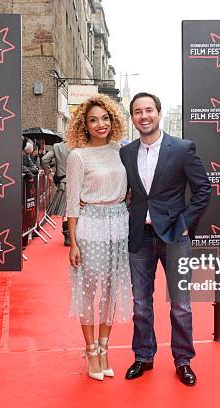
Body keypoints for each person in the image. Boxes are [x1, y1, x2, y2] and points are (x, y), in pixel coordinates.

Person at [120, 92, 211, 387]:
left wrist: (185, 223)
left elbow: (203, 190)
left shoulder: (182, 149)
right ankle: (144, 355)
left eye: (149, 110)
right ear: (132, 117)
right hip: (139, 237)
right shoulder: (126, 152)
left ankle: (183, 360)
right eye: (137, 112)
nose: (143, 116)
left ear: (158, 113)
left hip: (175, 236)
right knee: (140, 303)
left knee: (181, 304)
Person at [65, 94, 132, 382]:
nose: (100, 124)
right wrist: (73, 242)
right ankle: (90, 350)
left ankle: (105, 349)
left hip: (119, 225)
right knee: (89, 289)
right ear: (84, 124)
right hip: (90, 225)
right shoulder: (78, 156)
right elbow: (71, 201)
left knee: (111, 290)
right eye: (93, 120)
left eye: (105, 118)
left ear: (113, 120)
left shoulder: (122, 151)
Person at [42, 140, 71, 246]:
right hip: (80, 182)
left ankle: (68, 236)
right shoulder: (82, 145)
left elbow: (44, 159)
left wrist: (49, 173)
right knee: (77, 209)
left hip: (64, 182)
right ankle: (73, 235)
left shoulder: (58, 146)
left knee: (66, 210)